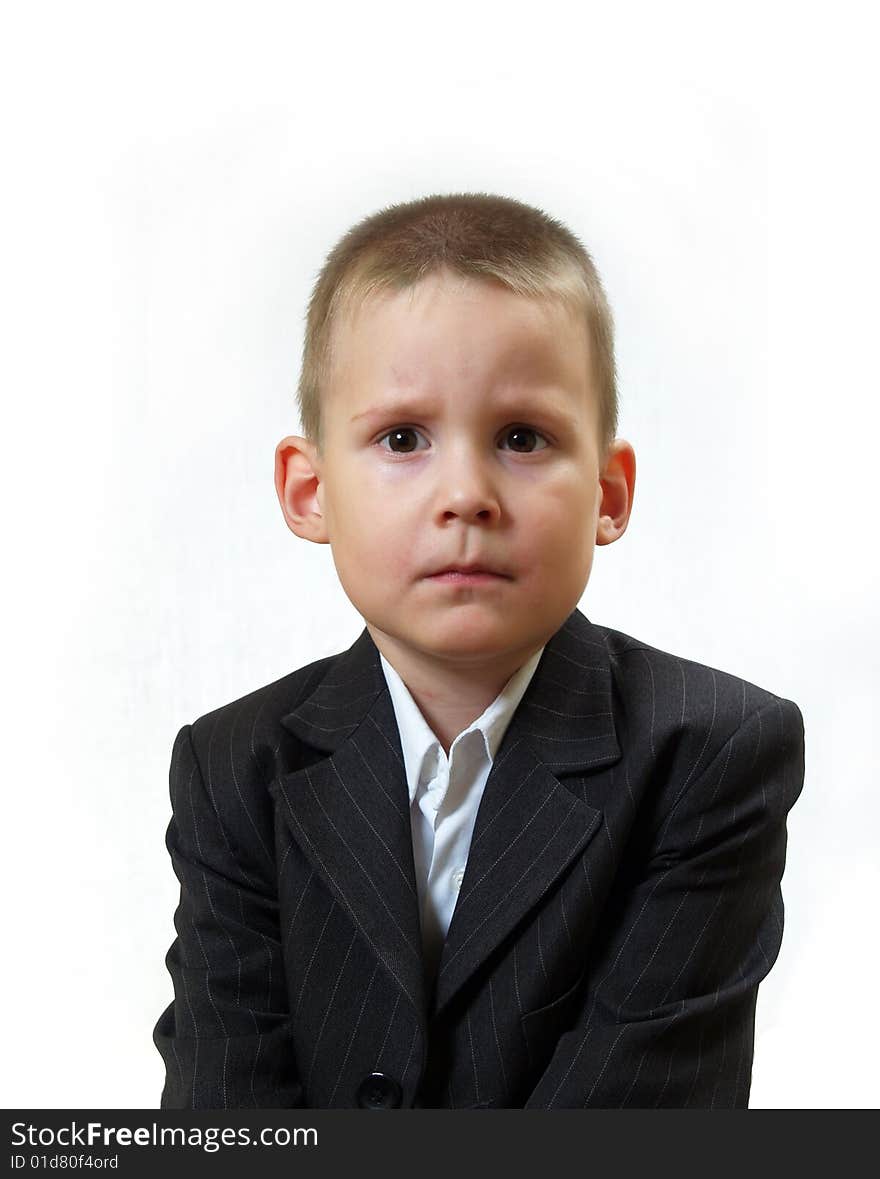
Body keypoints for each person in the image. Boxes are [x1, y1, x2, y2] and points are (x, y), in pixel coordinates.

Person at [152, 191, 805, 1108]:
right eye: (403, 438)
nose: (466, 493)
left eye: (522, 437)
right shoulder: (232, 769)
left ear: (611, 494)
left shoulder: (711, 753)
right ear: (310, 490)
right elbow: (223, 1111)